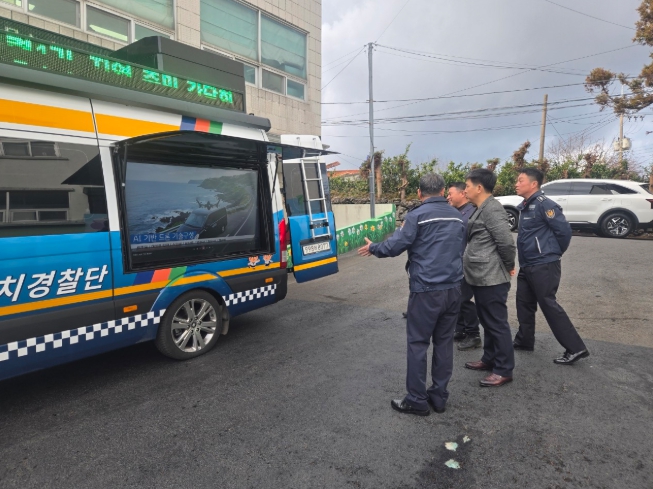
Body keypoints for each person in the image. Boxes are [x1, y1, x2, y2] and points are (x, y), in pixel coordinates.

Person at [358, 173, 465, 416]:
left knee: (418, 344)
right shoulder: (457, 216)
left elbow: (395, 245)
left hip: (426, 290)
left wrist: (373, 247)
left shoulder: (417, 216)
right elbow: (460, 247)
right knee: (444, 343)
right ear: (443, 191)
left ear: (419, 193)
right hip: (453, 288)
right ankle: (439, 397)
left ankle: (417, 400)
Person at [512, 168, 590, 365]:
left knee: (548, 304)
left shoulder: (544, 204)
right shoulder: (526, 205)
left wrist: (552, 254)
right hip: (527, 264)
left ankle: (576, 348)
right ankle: (524, 340)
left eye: (520, 180)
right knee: (523, 303)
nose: (516, 184)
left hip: (543, 264)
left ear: (533, 184)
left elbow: (564, 232)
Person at [462, 168, 516, 387]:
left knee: (496, 323)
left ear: (479, 187)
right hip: (481, 276)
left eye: (467, 186)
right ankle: (490, 358)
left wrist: (509, 266)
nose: (464, 190)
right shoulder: (481, 208)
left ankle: (503, 369)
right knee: (488, 321)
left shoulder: (492, 208)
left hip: (492, 277)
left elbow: (506, 243)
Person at [446, 182, 481, 351]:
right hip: (456, 262)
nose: (448, 197)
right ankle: (460, 329)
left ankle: (473, 334)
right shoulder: (458, 212)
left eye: (450, 194)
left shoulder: (471, 213)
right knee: (456, 298)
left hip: (466, 263)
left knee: (464, 299)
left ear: (462, 194)